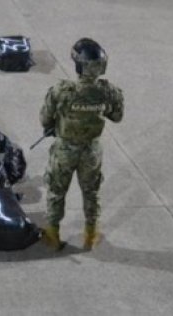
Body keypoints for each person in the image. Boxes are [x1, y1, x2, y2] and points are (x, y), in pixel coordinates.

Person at [39, 38, 124, 251]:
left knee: (56, 191)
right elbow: (116, 116)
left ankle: (52, 234)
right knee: (91, 192)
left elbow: (45, 119)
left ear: (78, 65)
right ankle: (91, 235)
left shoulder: (62, 91)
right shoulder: (109, 91)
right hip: (92, 151)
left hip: (65, 150)